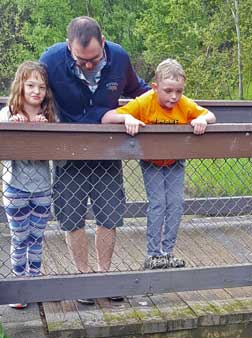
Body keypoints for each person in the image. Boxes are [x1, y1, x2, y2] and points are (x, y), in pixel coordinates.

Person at [40, 16, 149, 304]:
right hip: (68, 155)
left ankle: (103, 277)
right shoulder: (50, 61)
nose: (88, 65)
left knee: (109, 216)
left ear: (103, 42)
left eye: (93, 58)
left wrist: (176, 108)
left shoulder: (120, 57)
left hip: (107, 153)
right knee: (72, 218)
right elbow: (30, 92)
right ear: (68, 46)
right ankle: (82, 279)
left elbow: (140, 92)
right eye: (80, 59)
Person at [107, 58, 216, 270]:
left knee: (175, 204)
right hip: (152, 162)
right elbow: (109, 117)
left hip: (176, 161)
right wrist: (126, 119)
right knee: (158, 204)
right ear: (156, 87)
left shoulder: (183, 104)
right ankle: (153, 254)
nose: (174, 97)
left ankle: (167, 253)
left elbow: (209, 114)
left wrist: (202, 120)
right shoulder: (145, 101)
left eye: (179, 91)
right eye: (168, 91)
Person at [0, 61, 56, 309]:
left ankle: (34, 283)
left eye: (42, 87)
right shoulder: (6, 113)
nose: (36, 91)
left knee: (37, 237)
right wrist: (14, 126)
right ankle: (19, 285)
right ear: (20, 86)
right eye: (31, 85)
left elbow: (58, 151)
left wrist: (45, 131)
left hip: (43, 187)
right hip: (16, 188)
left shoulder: (50, 116)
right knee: (19, 236)